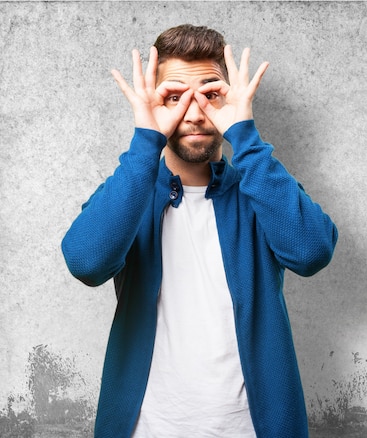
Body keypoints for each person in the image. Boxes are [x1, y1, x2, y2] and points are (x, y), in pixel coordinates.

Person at [62, 24, 338, 438]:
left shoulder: (261, 189)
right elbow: (86, 262)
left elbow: (313, 251)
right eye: (174, 97)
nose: (193, 113)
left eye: (211, 95)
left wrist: (244, 136)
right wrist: (145, 142)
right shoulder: (130, 190)